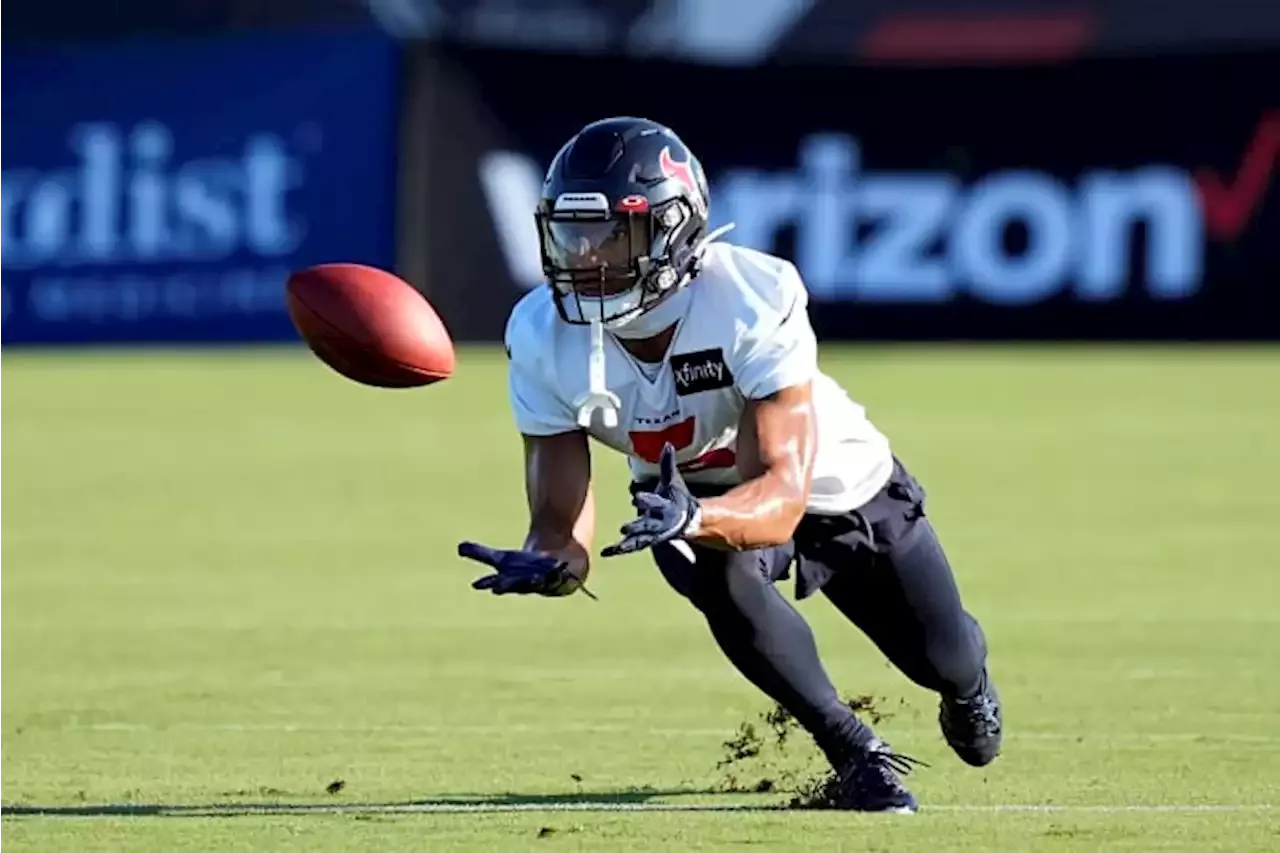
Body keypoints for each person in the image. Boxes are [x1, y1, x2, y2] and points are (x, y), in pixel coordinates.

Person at [457, 117, 1002, 813]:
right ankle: (854, 754)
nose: (588, 257)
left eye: (612, 234)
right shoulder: (540, 333)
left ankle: (968, 683)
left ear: (674, 228)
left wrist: (697, 513)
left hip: (835, 483)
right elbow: (561, 526)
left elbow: (779, 494)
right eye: (572, 234)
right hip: (691, 497)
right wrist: (553, 565)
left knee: (943, 656)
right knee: (714, 569)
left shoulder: (750, 296)